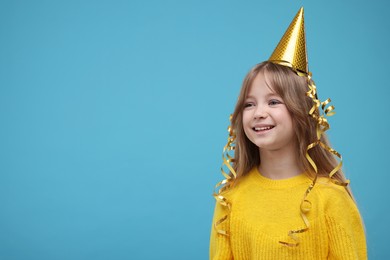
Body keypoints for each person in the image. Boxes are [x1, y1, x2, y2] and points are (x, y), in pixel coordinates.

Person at [209, 7, 367, 260]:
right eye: (249, 104)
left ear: (302, 112)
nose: (259, 112)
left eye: (273, 102)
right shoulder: (231, 197)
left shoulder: (330, 199)